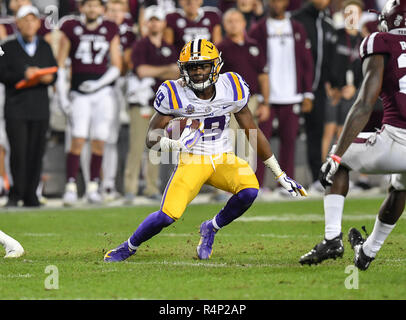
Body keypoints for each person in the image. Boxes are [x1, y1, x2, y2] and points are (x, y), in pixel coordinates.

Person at [104, 38, 307, 262]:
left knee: (250, 191)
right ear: (184, 69)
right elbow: (151, 138)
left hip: (223, 158)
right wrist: (176, 145)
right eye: (193, 67)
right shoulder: (174, 92)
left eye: (203, 66)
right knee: (167, 216)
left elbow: (252, 131)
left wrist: (279, 174)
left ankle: (211, 227)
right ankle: (129, 246)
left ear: (215, 66)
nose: (199, 72)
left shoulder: (232, 86)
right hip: (192, 160)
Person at [300, 0, 406, 270]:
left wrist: (337, 153)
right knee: (399, 188)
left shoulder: (380, 41)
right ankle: (367, 252)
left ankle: (332, 238)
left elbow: (364, 103)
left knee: (339, 162)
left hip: (396, 139)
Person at [56, 0, 122, 205]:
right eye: (88, 5)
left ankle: (94, 186)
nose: (92, 9)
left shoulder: (110, 28)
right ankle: (71, 186)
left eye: (96, 5)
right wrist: (61, 95)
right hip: (79, 93)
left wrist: (98, 84)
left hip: (102, 93)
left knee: (100, 140)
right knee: (77, 138)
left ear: (102, 9)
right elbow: (60, 64)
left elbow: (117, 65)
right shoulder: (71, 27)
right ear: (81, 8)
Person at [249, 0, 314, 193]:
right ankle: (256, 185)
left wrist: (307, 93)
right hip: (266, 98)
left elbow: (306, 62)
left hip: (292, 95)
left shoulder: (297, 28)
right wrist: (260, 96)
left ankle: (285, 185)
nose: (277, 3)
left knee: (289, 142)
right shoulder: (258, 29)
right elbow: (254, 64)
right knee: (261, 143)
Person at [0, 5, 57, 207]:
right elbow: (2, 74)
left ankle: (31, 194)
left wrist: (48, 77)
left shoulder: (44, 46)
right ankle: (15, 194)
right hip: (16, 107)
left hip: (40, 108)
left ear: (38, 23)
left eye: (33, 19)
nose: (29, 23)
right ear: (17, 22)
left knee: (36, 152)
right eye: (25, 19)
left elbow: (54, 71)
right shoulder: (8, 46)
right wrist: (23, 74)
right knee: (18, 152)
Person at [124, 5, 179, 203]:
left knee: (156, 147)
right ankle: (129, 188)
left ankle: (152, 187)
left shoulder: (168, 46)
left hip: (161, 105)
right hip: (141, 102)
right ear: (146, 23)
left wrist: (158, 71)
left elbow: (177, 73)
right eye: (152, 19)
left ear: (164, 23)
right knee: (137, 146)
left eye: (158, 20)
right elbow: (141, 71)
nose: (155, 23)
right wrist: (165, 70)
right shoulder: (141, 45)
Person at [292, 0, 337, 193]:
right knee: (289, 133)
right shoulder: (297, 19)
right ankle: (281, 179)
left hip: (318, 88)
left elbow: (329, 58)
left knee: (316, 133)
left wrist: (331, 82)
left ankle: (316, 178)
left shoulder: (328, 22)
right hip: (293, 89)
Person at [321, 0, 363, 162]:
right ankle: (321, 173)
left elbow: (365, 70)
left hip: (351, 92)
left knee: (342, 132)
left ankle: (337, 172)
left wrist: (354, 88)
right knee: (329, 130)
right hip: (332, 91)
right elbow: (325, 62)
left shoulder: (363, 40)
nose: (351, 16)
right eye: (348, 13)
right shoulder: (334, 35)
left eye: (355, 13)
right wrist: (328, 86)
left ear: (360, 16)